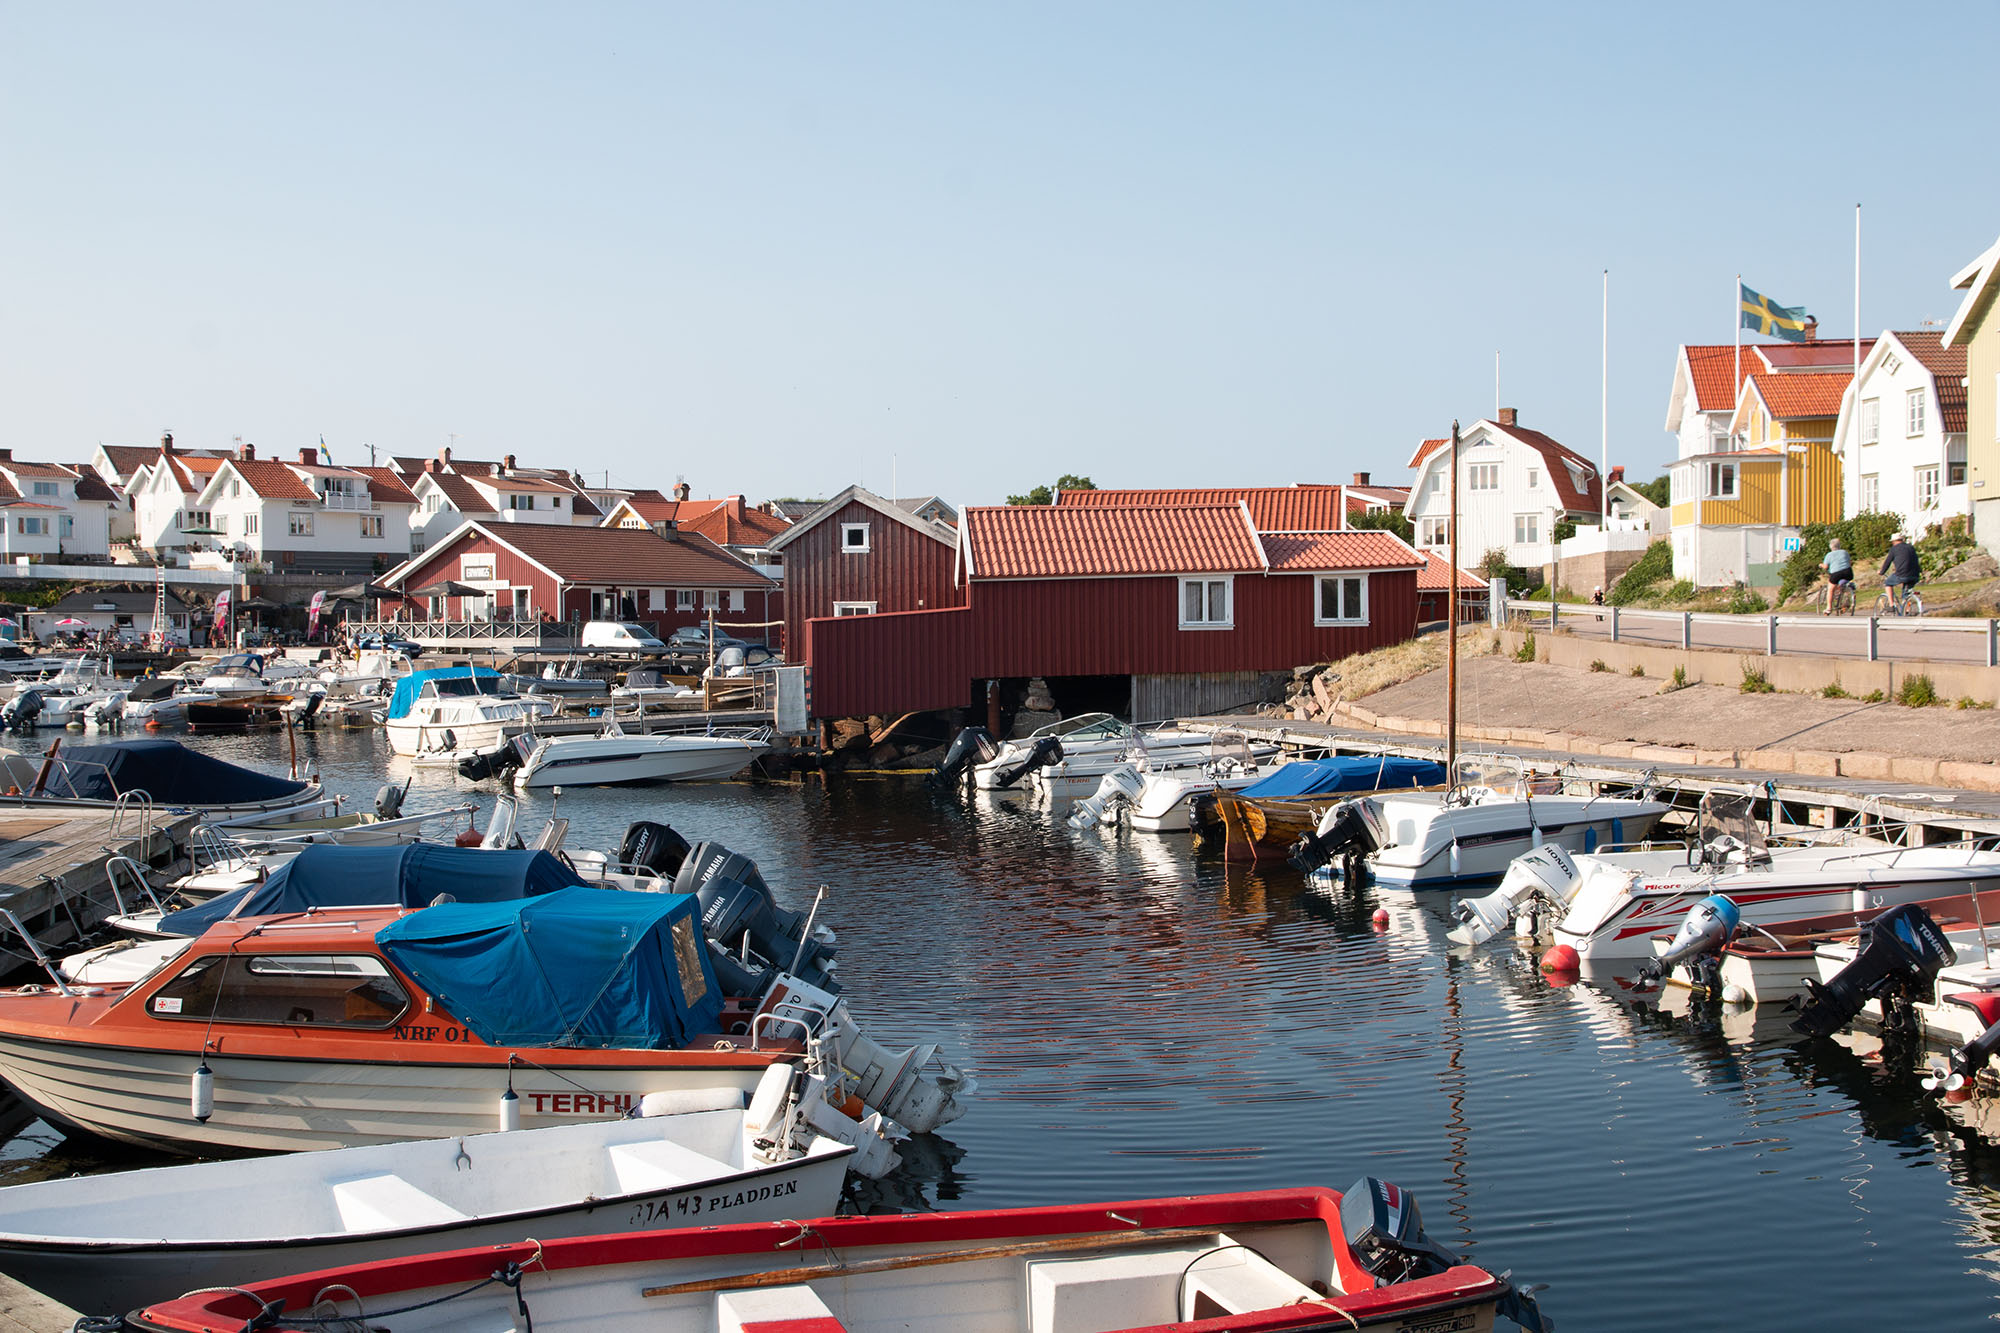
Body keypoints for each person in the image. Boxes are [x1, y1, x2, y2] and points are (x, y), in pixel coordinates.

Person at [1881, 532, 1921, 612]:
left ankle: (1892, 605)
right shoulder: (1911, 547)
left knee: (1888, 583)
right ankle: (1907, 610)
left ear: (1893, 541)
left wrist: (1882, 571)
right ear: (1902, 540)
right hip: (1915, 574)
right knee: (1906, 592)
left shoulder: (1894, 549)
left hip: (1902, 574)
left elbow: (1887, 562)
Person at [1819, 537, 1854, 611]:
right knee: (1843, 583)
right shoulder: (1845, 552)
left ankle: (1829, 608)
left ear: (1831, 547)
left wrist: (1820, 565)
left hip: (1836, 573)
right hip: (1848, 572)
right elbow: (1850, 562)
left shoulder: (1829, 555)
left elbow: (1825, 567)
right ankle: (1845, 595)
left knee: (1831, 589)